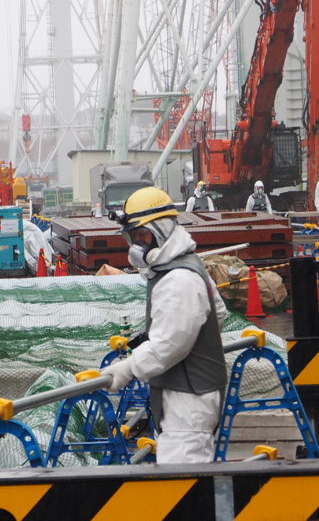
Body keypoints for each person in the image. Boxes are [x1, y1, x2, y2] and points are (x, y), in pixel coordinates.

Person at [101, 187, 228, 463]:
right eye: (132, 238)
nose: (137, 246)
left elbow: (169, 345)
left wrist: (127, 369)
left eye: (142, 236)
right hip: (186, 398)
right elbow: (217, 312)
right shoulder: (182, 266)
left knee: (182, 491)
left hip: (188, 406)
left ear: (161, 230)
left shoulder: (178, 280)